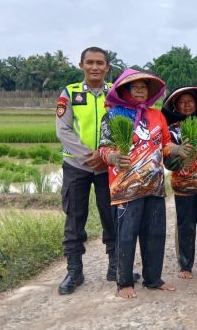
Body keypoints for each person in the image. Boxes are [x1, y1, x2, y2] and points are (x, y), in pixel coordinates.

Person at [99, 69, 191, 298]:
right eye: (134, 87)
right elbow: (104, 148)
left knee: (155, 234)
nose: (140, 90)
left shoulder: (157, 115)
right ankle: (124, 282)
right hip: (125, 188)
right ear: (123, 90)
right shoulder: (112, 116)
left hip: (155, 186)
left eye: (144, 87)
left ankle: (153, 278)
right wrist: (112, 158)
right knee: (126, 235)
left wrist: (177, 150)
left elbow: (165, 144)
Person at [56, 46, 118, 295]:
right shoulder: (69, 93)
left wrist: (105, 157)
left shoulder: (116, 93)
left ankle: (116, 266)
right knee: (74, 217)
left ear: (107, 67)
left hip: (107, 166)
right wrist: (88, 156)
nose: (95, 67)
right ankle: (74, 270)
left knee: (112, 215)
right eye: (90, 62)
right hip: (76, 166)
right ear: (81, 65)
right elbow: (63, 130)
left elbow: (124, 125)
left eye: (100, 63)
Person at [161, 87, 197, 279]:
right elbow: (168, 161)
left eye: (190, 100)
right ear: (175, 106)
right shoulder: (171, 131)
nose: (187, 104)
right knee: (186, 226)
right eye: (182, 101)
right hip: (183, 187)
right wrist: (181, 156)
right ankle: (185, 265)